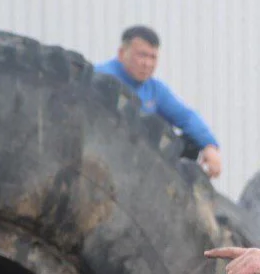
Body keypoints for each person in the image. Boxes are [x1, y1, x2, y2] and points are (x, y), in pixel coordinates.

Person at [95, 25, 223, 178]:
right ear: (122, 54)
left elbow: (186, 117)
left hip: (140, 162)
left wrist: (210, 146)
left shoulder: (154, 89)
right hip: (103, 161)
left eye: (152, 57)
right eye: (142, 55)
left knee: (190, 144)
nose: (147, 63)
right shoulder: (100, 79)